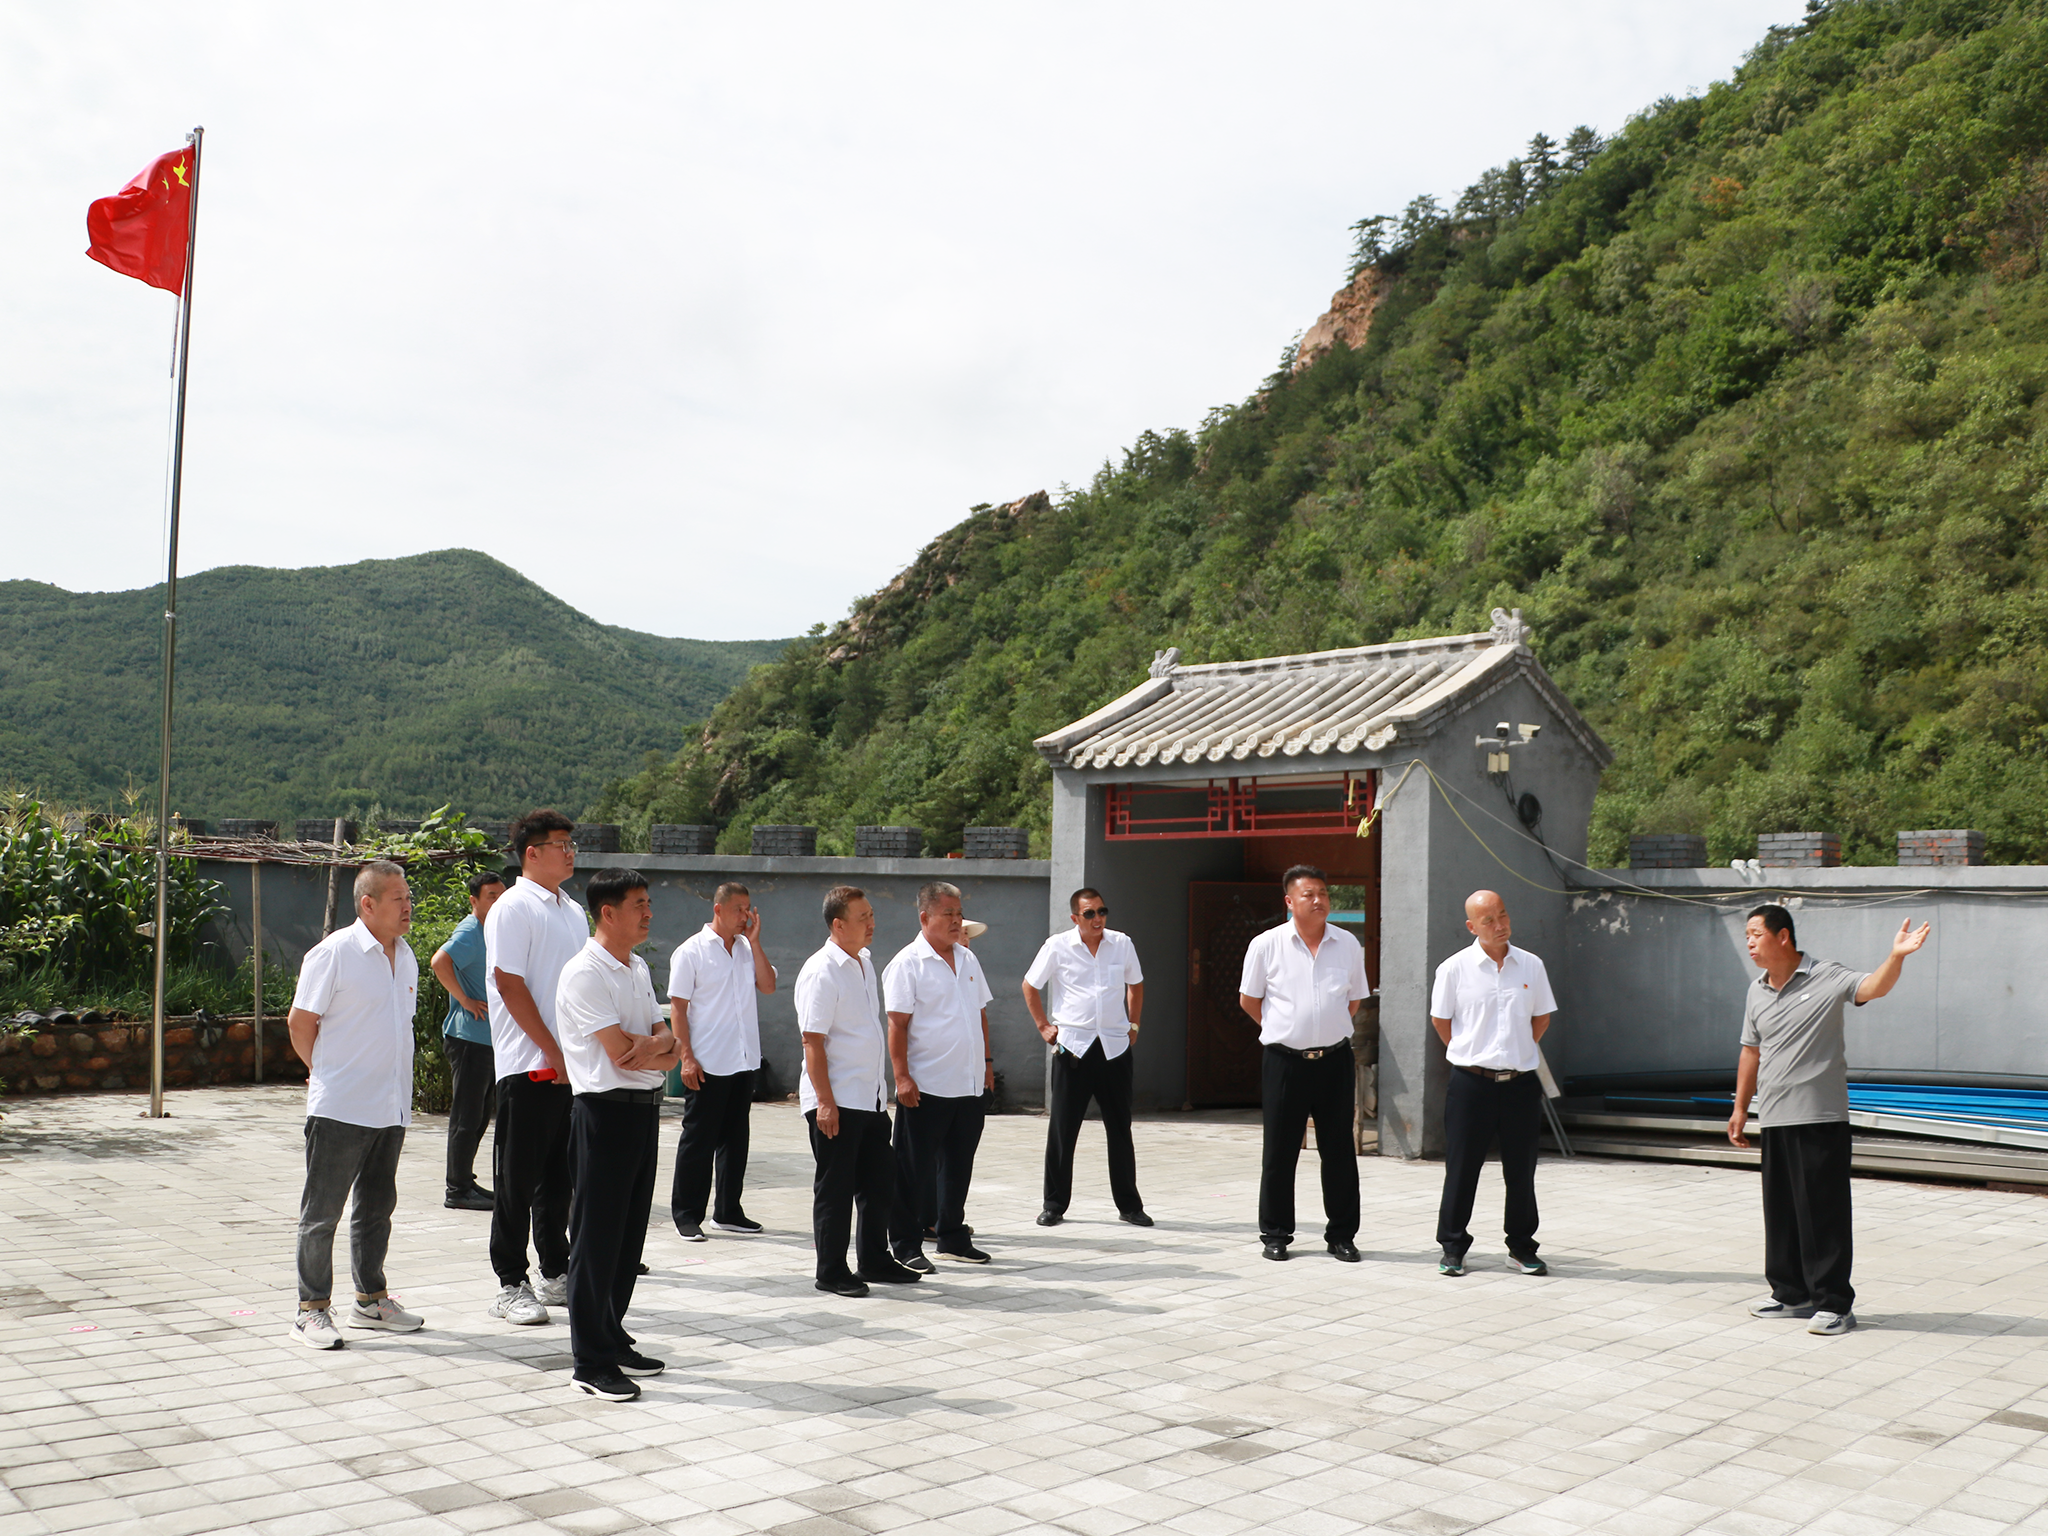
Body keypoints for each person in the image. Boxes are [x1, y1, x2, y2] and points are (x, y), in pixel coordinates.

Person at [1728, 905, 1930, 1337]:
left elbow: (1872, 987)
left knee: (1823, 1213)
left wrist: (1895, 956)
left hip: (1819, 1116)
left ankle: (1834, 1304)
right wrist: (1741, 1108)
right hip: (1775, 1117)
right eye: (1746, 935)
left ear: (1783, 936)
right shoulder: (1756, 991)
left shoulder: (1826, 975)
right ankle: (1791, 1294)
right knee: (1781, 1213)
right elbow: (1751, 1050)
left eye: (1756, 934)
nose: (1749, 943)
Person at [285, 860, 426, 1348]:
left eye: (408, 897)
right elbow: (300, 1023)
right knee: (322, 1214)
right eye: (398, 899)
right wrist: (323, 1070)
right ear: (367, 904)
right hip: (341, 1107)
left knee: (376, 1209)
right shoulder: (334, 953)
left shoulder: (405, 955)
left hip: (391, 1104)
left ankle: (370, 1300)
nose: (408, 906)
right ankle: (310, 1310)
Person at [555, 868, 679, 1400]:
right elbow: (619, 1051)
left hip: (643, 1111)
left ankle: (612, 1334)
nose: (648, 912)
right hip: (602, 1113)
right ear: (608, 912)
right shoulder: (584, 973)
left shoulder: (637, 968)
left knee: (628, 1237)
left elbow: (668, 1044)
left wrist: (656, 1046)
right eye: (638, 904)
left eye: (648, 902)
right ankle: (590, 1361)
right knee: (596, 1238)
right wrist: (657, 1047)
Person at [483, 809, 589, 1327]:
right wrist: (551, 1049)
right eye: (561, 845)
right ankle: (510, 1281)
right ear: (532, 853)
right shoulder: (513, 907)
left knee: (558, 1179)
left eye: (572, 844)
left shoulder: (572, 911)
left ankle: (554, 1269)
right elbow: (509, 983)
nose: (570, 853)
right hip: (528, 1065)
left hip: (571, 1066)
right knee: (517, 1180)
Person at [1237, 864, 1370, 1262]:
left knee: (1339, 1150)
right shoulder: (1266, 945)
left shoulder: (1347, 944)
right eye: (1309, 894)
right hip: (1285, 1062)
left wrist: (1323, 1028)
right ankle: (1276, 1234)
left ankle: (1342, 1235)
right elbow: (1249, 1000)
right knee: (1280, 1151)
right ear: (1289, 901)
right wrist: (1283, 1029)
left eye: (1323, 893)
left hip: (1334, 1061)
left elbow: (1354, 1000)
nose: (1318, 900)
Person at [796, 886, 924, 1296]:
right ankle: (831, 1270)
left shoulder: (864, 963)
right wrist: (825, 1102)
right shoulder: (821, 970)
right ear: (838, 925)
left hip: (869, 1098)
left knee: (878, 1183)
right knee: (835, 1189)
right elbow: (812, 1041)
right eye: (862, 917)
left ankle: (874, 1260)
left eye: (871, 914)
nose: (872, 923)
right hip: (837, 1100)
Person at [1429, 889, 1557, 1277]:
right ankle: (1453, 1247)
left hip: (1520, 1083)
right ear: (1472, 927)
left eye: (1503, 915)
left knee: (1521, 1170)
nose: (1499, 925)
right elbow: (1441, 1021)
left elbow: (1541, 1017)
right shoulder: (1454, 969)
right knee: (1462, 1167)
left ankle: (1521, 1247)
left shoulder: (1531, 965)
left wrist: (1516, 1051)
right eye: (1489, 920)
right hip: (1471, 1083)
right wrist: (1472, 1052)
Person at [885, 880, 996, 1268]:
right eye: (947, 913)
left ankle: (951, 1236)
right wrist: (901, 1077)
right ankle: (904, 1243)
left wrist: (987, 1065)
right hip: (926, 1085)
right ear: (924, 917)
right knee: (912, 1170)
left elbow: (980, 1015)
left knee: (958, 1166)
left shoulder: (967, 959)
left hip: (968, 1083)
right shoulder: (907, 964)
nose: (956, 921)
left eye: (958, 913)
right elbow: (897, 1024)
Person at [1025, 886, 1150, 1227]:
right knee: (1063, 1129)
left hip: (1114, 1048)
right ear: (1075, 918)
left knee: (1120, 1129)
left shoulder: (1121, 943)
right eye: (1090, 913)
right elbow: (1030, 985)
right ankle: (1054, 1204)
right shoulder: (1057, 946)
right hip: (1074, 1048)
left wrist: (1134, 1024)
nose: (1098, 919)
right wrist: (1043, 1026)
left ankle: (1129, 1205)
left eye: (1102, 911)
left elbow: (1136, 984)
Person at [667, 882, 777, 1240]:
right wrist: (686, 1057)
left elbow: (768, 985)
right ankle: (687, 1214)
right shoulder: (691, 952)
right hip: (707, 1062)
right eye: (738, 909)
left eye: (748, 908)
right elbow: (678, 1009)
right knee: (698, 1140)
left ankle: (729, 1210)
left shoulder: (746, 949)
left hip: (742, 1060)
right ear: (718, 909)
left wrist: (756, 942)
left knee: (736, 1140)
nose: (745, 916)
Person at [431, 869, 506, 1210]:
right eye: (491, 896)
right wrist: (464, 999)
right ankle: (457, 1189)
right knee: (466, 1117)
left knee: (478, 1117)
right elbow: (440, 961)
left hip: (488, 1039)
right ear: (474, 901)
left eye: (502, 895)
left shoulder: (494, 930)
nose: (498, 901)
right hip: (469, 1039)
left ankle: (465, 1180)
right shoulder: (471, 931)